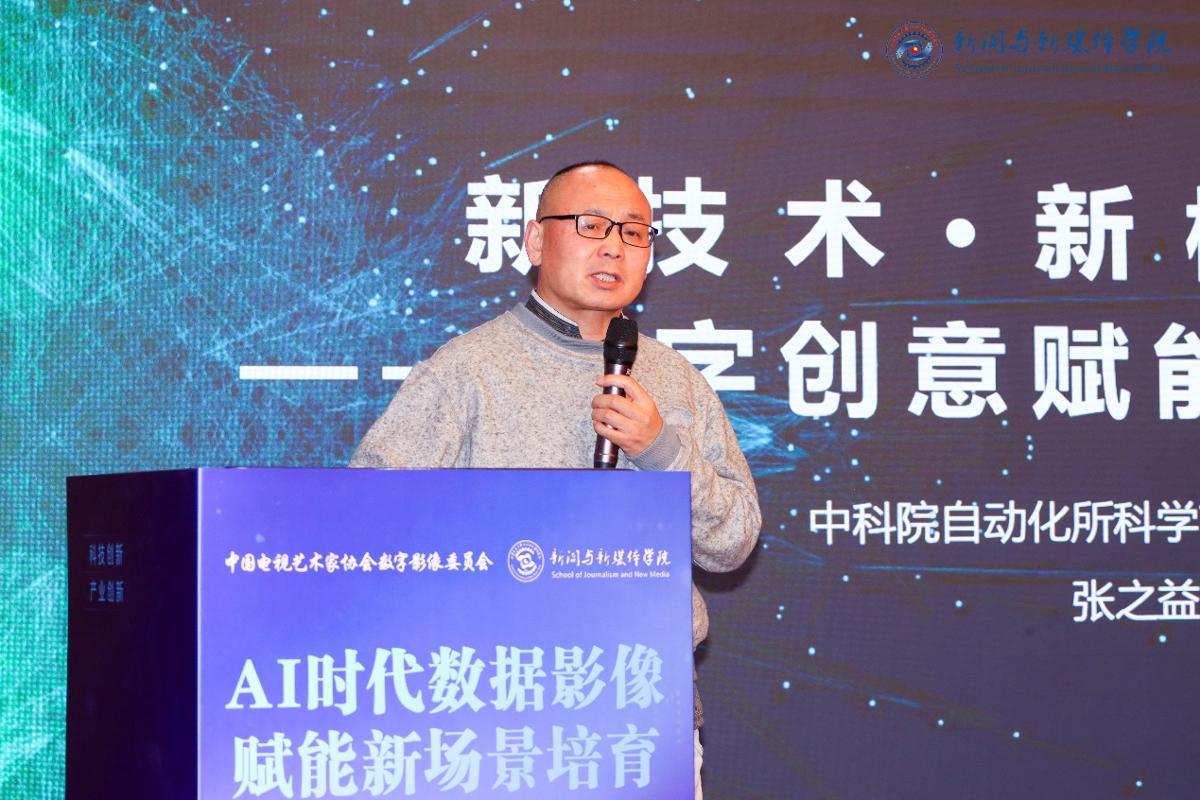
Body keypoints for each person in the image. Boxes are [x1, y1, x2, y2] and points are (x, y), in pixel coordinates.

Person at [351, 160, 761, 798]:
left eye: (634, 232)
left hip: (645, 709)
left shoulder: (677, 381)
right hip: (494, 709)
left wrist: (660, 449)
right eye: (592, 225)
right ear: (536, 240)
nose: (614, 247)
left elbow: (733, 543)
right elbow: (367, 521)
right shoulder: (466, 370)